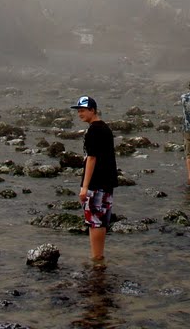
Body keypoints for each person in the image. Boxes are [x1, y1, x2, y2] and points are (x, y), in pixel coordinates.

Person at [71, 95, 117, 262]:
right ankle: (99, 257)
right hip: (107, 182)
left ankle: (96, 259)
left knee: (95, 221)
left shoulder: (93, 131)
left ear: (92, 110)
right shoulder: (105, 128)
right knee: (101, 221)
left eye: (83, 110)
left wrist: (84, 187)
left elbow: (91, 158)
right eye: (78, 111)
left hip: (96, 183)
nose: (80, 114)